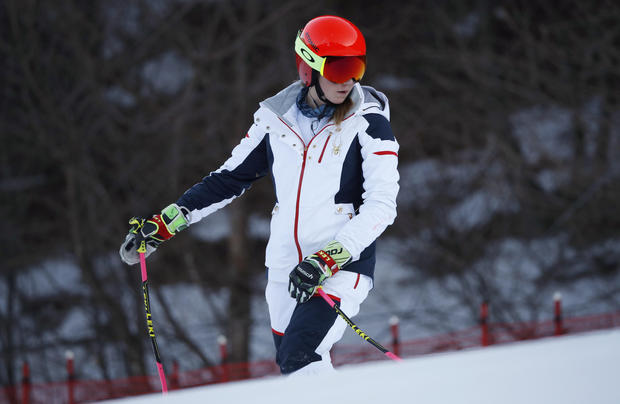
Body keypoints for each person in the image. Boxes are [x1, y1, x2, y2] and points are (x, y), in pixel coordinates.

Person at [120, 15, 399, 375]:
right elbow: (228, 179)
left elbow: (382, 205)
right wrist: (163, 224)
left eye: (355, 67)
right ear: (308, 69)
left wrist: (329, 259)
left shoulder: (370, 122)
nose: (348, 80)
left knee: (301, 358)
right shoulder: (275, 121)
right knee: (294, 366)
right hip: (286, 267)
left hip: (341, 264)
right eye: (337, 69)